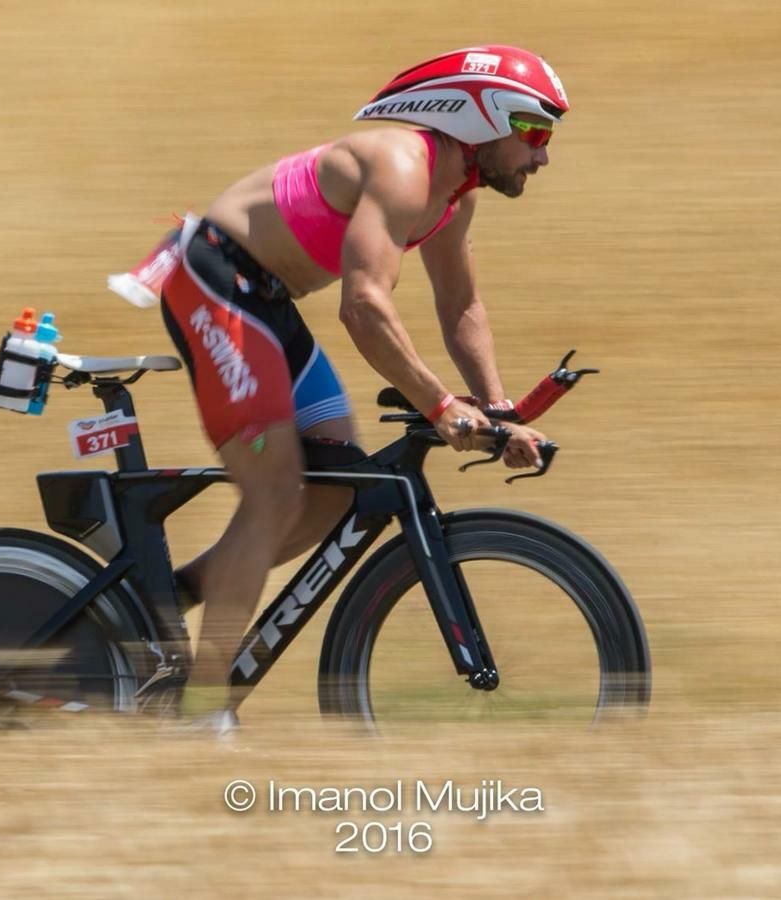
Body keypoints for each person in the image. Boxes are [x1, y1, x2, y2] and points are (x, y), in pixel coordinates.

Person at [114, 45, 568, 735]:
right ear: (482, 117)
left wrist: (498, 410)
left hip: (263, 299)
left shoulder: (453, 196)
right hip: (218, 281)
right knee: (274, 491)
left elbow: (461, 307)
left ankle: (161, 600)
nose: (542, 157)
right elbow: (363, 307)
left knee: (336, 486)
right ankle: (200, 714)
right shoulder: (403, 168)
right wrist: (441, 406)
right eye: (534, 133)